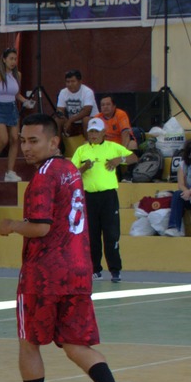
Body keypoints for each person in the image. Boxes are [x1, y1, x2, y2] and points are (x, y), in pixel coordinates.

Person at [0, 115, 132, 382]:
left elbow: (40, 227)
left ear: (54, 142)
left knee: (29, 342)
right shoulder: (71, 170)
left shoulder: (43, 176)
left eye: (34, 141)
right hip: (79, 269)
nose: (27, 148)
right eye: (23, 141)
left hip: (44, 273)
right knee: (75, 343)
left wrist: (12, 226)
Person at [71, 116, 129, 282]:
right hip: (89, 197)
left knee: (111, 234)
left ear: (104, 132)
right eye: (91, 132)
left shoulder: (112, 147)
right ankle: (95, 269)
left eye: (96, 132)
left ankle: (115, 270)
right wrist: (84, 167)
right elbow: (72, 173)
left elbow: (133, 157)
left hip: (108, 196)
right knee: (92, 234)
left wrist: (119, 159)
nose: (93, 135)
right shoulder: (81, 150)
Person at [0, 47, 29, 182]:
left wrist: (26, 101)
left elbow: (16, 94)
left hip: (12, 108)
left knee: (15, 139)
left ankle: (10, 172)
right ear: (4, 59)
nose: (13, 62)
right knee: (3, 139)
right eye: (10, 59)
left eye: (15, 59)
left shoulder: (17, 75)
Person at [54, 69, 96, 137]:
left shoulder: (87, 92)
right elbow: (60, 110)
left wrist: (70, 120)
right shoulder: (63, 92)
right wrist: (63, 118)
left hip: (88, 120)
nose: (70, 84)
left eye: (73, 81)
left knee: (86, 120)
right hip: (72, 122)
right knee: (58, 120)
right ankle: (56, 143)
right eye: (68, 82)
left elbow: (87, 111)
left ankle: (89, 143)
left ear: (80, 82)